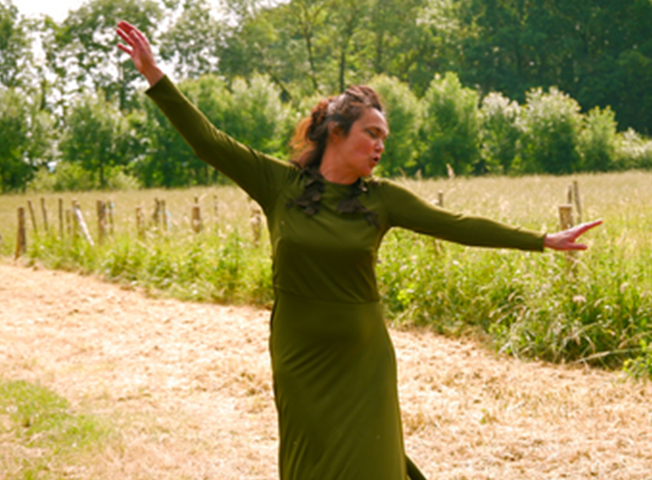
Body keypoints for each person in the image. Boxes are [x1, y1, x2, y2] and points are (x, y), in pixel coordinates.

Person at [116, 20, 601, 480]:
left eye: (384, 138)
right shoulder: (279, 185)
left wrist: (541, 240)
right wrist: (156, 76)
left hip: (362, 356)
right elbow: (208, 142)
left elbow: (456, 225)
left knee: (369, 461)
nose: (380, 146)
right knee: (314, 462)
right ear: (336, 132)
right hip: (300, 355)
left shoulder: (382, 200)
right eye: (372, 133)